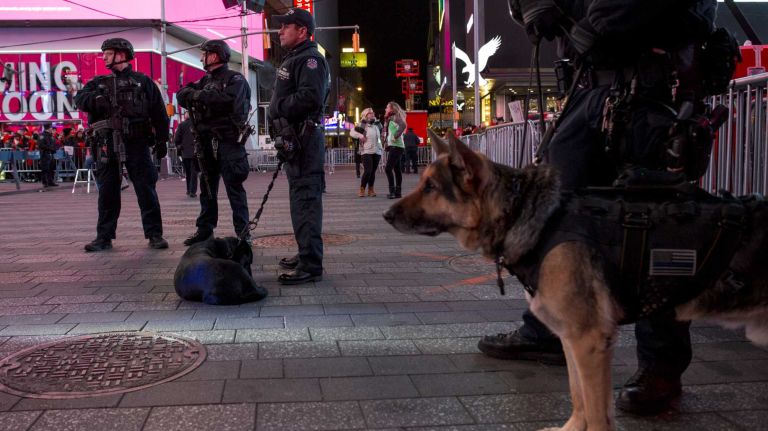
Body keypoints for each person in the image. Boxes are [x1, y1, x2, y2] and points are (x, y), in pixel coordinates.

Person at [478, 0, 722, 416]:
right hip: (586, 87)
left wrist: (582, 17)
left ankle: (661, 365)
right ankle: (547, 328)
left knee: (657, 228)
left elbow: (617, 16)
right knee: (556, 217)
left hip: (653, 87)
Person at [74, 37, 169, 252]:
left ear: (122, 55)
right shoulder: (98, 83)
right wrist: (95, 100)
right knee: (107, 192)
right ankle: (104, 237)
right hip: (106, 144)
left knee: (146, 189)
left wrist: (162, 139)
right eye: (104, 53)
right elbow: (79, 99)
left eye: (108, 53)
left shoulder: (143, 82)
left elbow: (159, 113)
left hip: (137, 142)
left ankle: (155, 234)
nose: (104, 57)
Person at [269, 7, 329, 285]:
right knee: (299, 200)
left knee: (306, 201)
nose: (280, 31)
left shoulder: (310, 60)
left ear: (302, 31)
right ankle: (305, 252)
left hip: (305, 141)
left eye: (286, 26)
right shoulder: (296, 57)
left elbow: (309, 97)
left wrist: (277, 107)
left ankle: (310, 264)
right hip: (297, 140)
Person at [177, 39, 252, 246]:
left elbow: (227, 101)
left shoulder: (235, 79)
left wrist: (199, 96)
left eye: (205, 53)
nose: (202, 58)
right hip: (205, 143)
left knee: (234, 189)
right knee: (207, 189)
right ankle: (205, 230)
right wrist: (201, 95)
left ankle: (243, 234)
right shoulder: (205, 81)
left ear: (215, 55)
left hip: (229, 142)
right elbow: (182, 94)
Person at [349, 107, 383, 197]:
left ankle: (371, 190)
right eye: (370, 113)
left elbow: (381, 134)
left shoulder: (377, 124)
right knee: (368, 171)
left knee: (373, 172)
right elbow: (351, 132)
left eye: (373, 112)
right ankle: (362, 188)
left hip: (377, 151)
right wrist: (360, 136)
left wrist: (381, 145)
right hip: (366, 151)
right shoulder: (362, 124)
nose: (373, 114)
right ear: (365, 115)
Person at [382, 101, 407, 199]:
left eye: (387, 107)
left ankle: (392, 192)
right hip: (396, 146)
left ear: (392, 109)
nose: (385, 109)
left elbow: (403, 125)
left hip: (396, 146)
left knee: (388, 169)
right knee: (397, 170)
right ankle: (398, 192)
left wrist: (395, 136)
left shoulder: (394, 117)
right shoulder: (391, 118)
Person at [174, 112, 199, 198]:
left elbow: (176, 138)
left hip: (185, 152)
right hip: (195, 152)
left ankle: (188, 190)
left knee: (188, 173)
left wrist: (179, 146)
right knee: (194, 173)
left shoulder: (181, 125)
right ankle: (192, 191)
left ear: (185, 117)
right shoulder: (196, 124)